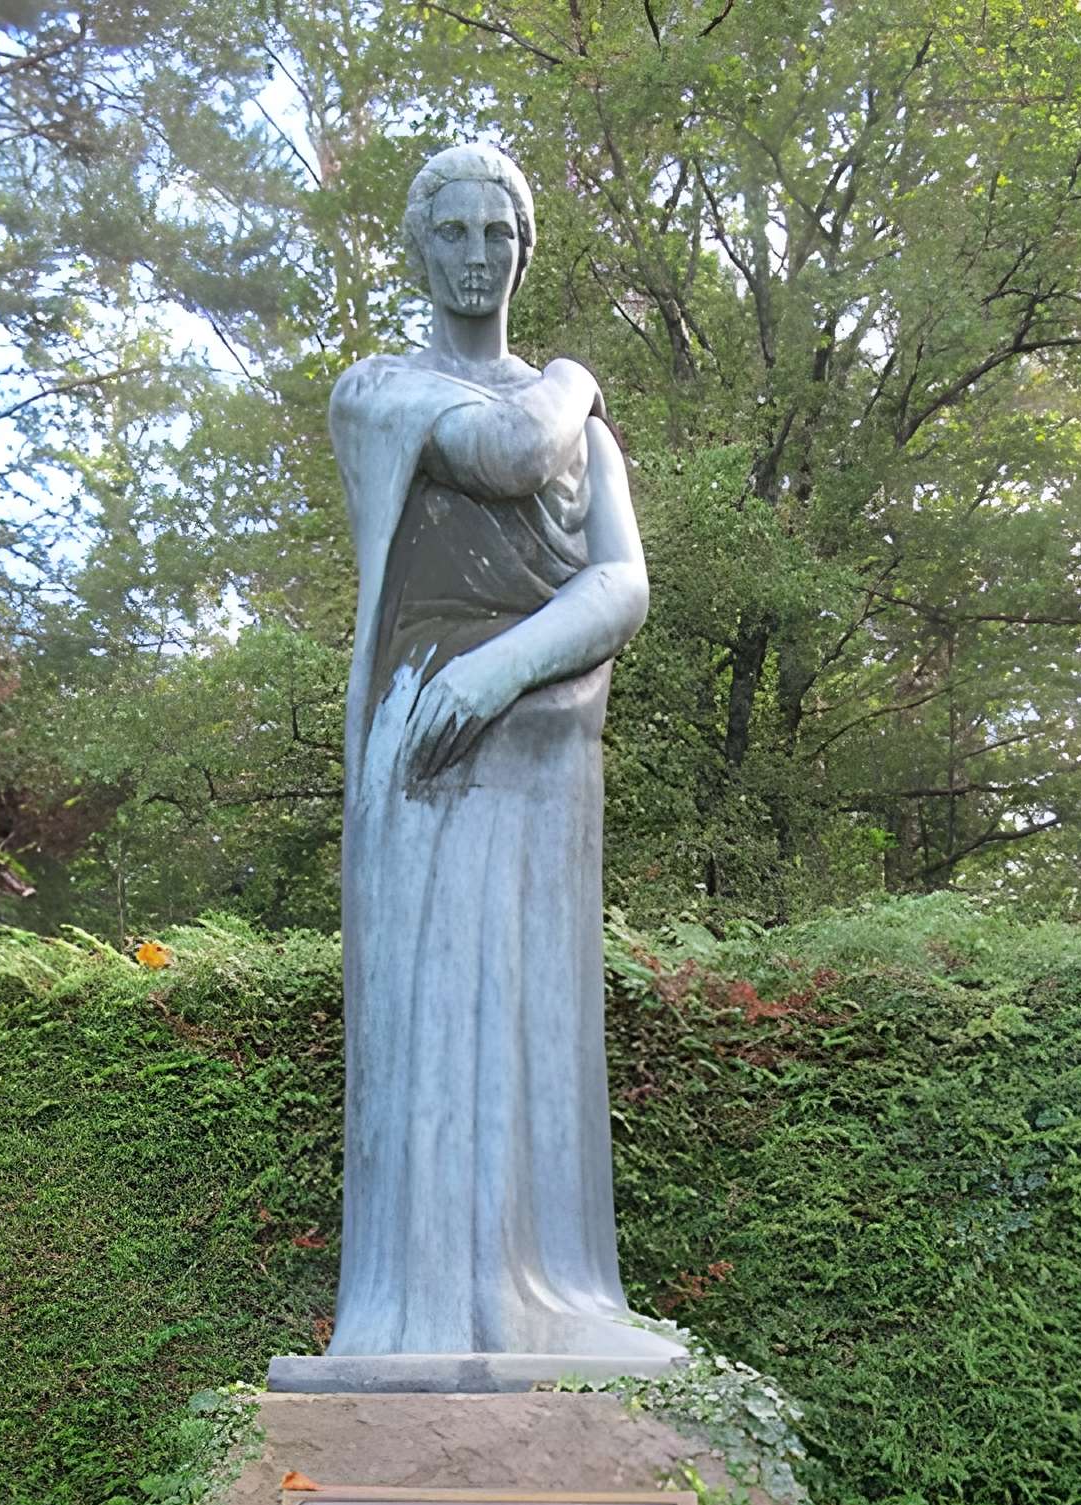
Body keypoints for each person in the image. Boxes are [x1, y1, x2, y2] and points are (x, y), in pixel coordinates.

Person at [304, 141, 686, 1376]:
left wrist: (503, 668)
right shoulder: (381, 392)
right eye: (453, 233)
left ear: (524, 249)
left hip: (536, 744)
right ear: (419, 247)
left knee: (532, 1017)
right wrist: (578, 373)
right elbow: (512, 456)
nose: (476, 258)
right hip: (424, 747)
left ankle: (544, 1300)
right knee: (432, 1019)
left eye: (496, 235)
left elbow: (622, 585)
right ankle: (423, 1319)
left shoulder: (593, 443)